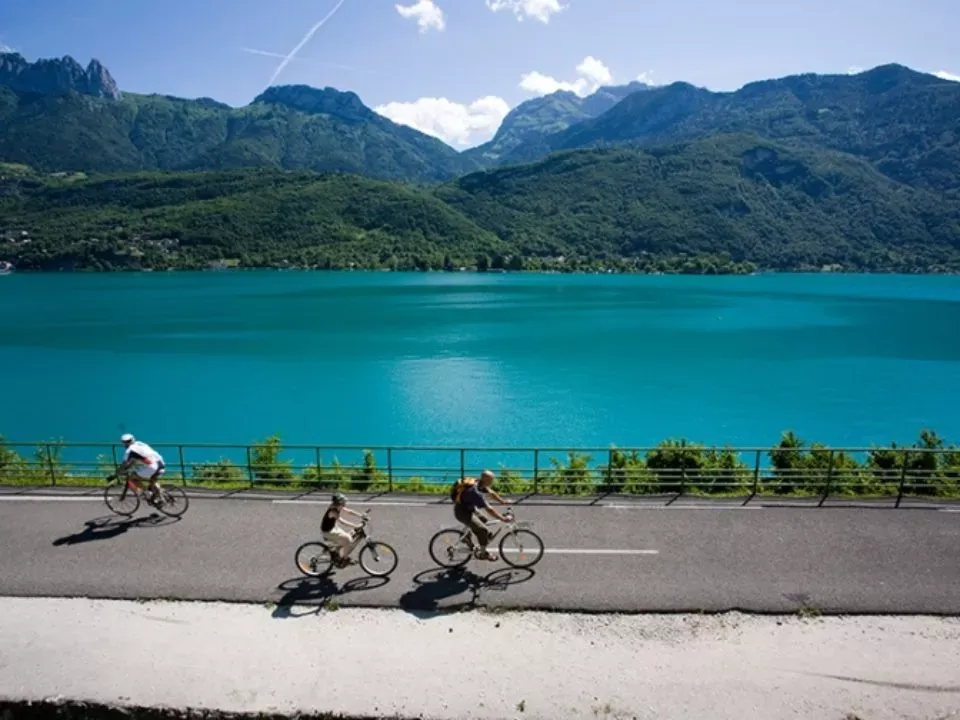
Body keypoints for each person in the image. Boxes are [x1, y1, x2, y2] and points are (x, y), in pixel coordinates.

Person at [453, 470, 512, 561]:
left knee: (485, 521)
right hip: (462, 512)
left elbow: (491, 493)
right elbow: (489, 509)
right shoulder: (474, 492)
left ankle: (468, 536)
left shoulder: (480, 484)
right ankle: (483, 553)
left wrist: (502, 501)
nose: (493, 482)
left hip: (469, 508)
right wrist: (502, 518)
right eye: (492, 480)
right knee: (482, 530)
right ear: (487, 480)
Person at [110, 433, 165, 501]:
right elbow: (139, 457)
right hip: (160, 462)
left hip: (152, 466)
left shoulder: (129, 451)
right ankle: (162, 498)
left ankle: (147, 493)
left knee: (132, 478)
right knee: (152, 481)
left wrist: (115, 474)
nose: (125, 444)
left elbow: (124, 465)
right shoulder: (140, 443)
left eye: (125, 442)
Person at [322, 492, 366, 566]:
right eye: (343, 501)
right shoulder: (333, 511)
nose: (344, 503)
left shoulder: (338, 506)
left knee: (351, 534)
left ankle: (335, 551)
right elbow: (342, 521)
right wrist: (355, 525)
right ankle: (345, 559)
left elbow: (349, 511)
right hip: (328, 532)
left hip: (333, 528)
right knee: (348, 539)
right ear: (338, 502)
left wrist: (361, 515)